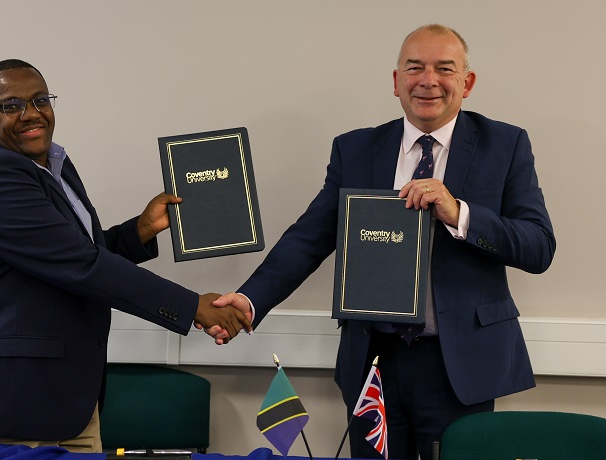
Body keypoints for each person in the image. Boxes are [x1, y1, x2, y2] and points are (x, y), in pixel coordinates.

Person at [210, 24, 555, 460]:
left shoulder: (505, 145)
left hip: (459, 365)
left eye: (444, 69)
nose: (428, 80)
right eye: (415, 68)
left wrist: (460, 213)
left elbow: (539, 246)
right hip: (374, 362)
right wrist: (250, 299)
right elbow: (308, 238)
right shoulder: (355, 150)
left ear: (466, 83)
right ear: (396, 82)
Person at [0, 59, 251, 453]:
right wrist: (193, 307)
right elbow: (82, 266)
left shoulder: (50, 162)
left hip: (63, 394)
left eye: (40, 100)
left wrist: (140, 230)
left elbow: (72, 252)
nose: (31, 114)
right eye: (11, 105)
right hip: (16, 398)